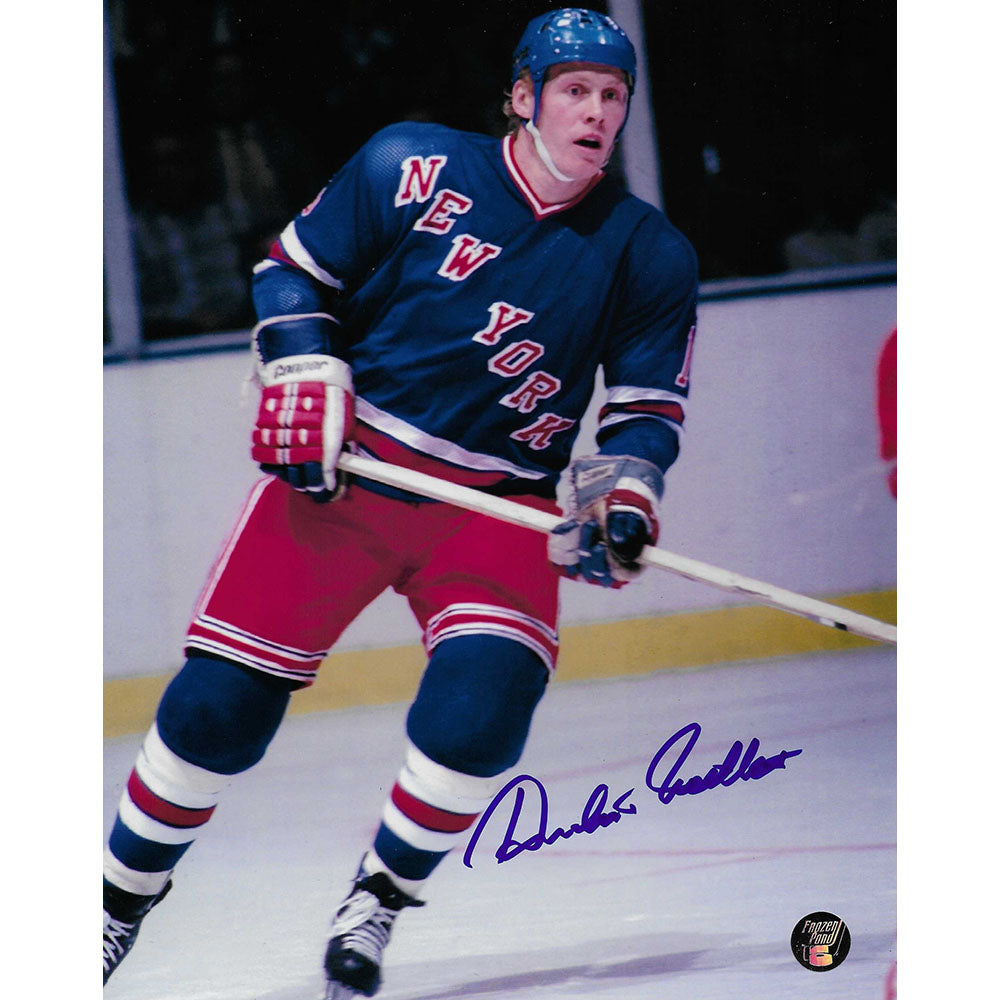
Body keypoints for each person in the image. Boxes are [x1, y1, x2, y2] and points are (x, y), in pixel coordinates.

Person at [102, 9, 699, 998]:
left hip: (500, 504)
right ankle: (115, 906)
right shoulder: (410, 165)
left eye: (611, 95)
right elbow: (293, 270)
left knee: (483, 710)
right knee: (219, 710)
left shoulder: (648, 252)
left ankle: (376, 899)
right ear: (522, 97)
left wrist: (624, 494)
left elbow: (641, 410)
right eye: (574, 90)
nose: (595, 112)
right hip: (354, 475)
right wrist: (304, 363)